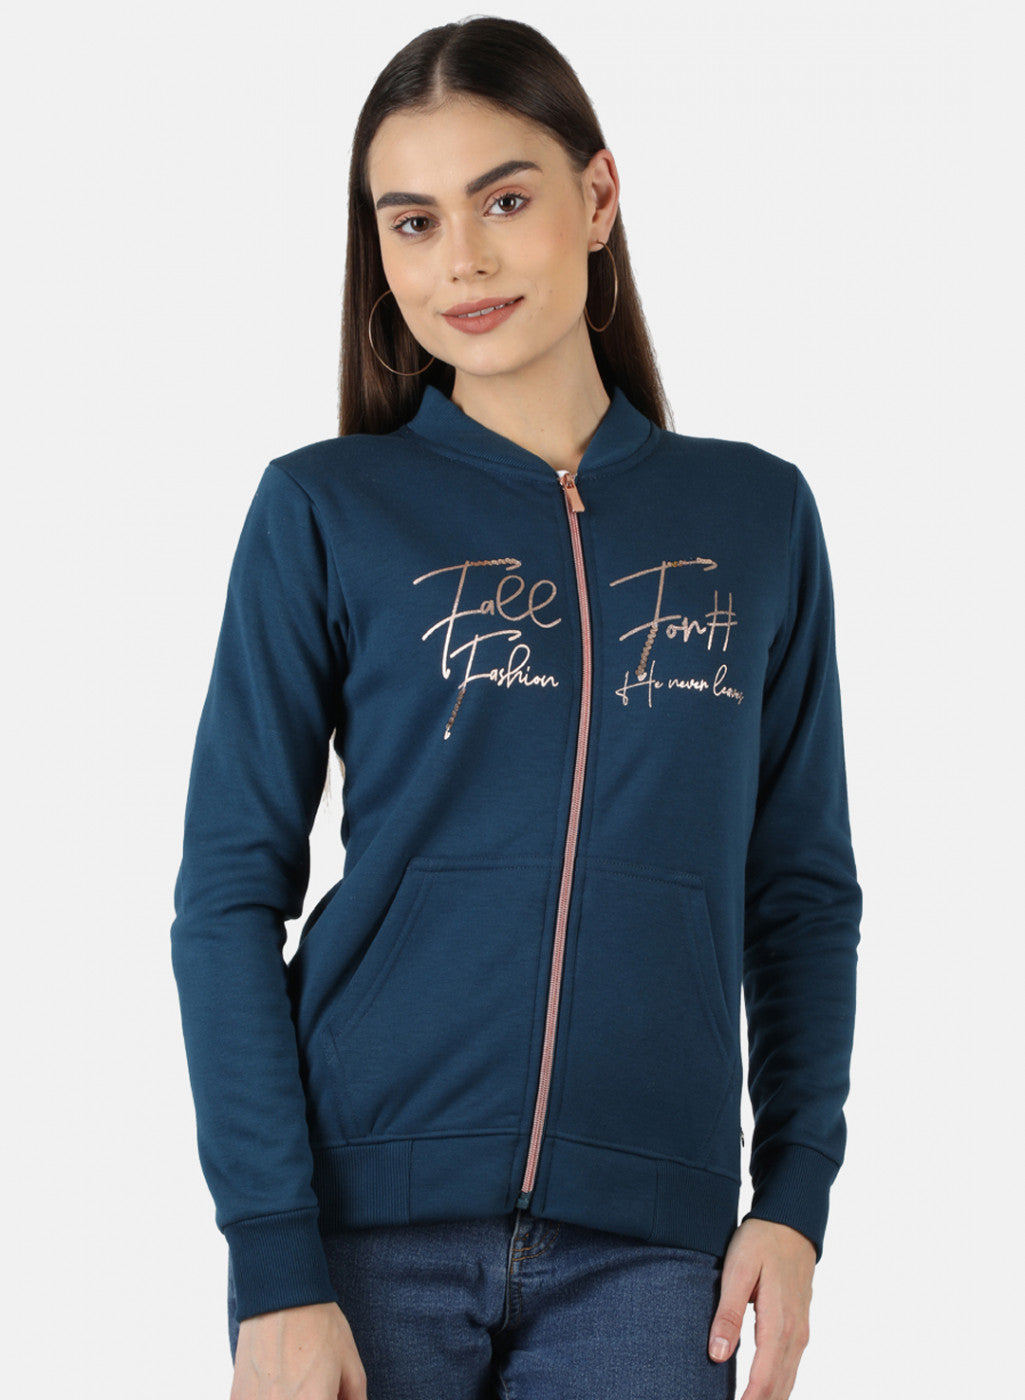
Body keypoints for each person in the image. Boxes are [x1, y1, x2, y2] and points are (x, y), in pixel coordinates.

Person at [170, 16, 861, 1400]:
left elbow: (799, 893)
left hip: (651, 1251)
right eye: (412, 222)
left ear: (597, 199)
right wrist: (275, 1262)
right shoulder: (326, 509)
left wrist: (791, 1201)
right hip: (363, 1235)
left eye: (503, 201)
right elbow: (227, 898)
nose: (461, 263)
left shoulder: (754, 516)